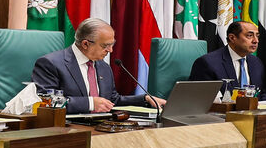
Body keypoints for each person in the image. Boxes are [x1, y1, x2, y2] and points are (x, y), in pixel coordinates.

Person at [31, 18, 166, 113]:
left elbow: (112, 100)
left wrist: (145, 99)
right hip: (67, 130)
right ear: (85, 44)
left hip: (102, 128)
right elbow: (46, 102)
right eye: (105, 46)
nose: (110, 51)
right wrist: (90, 103)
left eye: (112, 45)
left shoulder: (103, 67)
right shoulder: (51, 64)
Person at [188, 20, 266, 101]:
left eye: (257, 36)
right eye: (249, 35)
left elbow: (259, 94)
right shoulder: (208, 63)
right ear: (232, 38)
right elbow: (200, 100)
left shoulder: (256, 63)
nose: (256, 40)